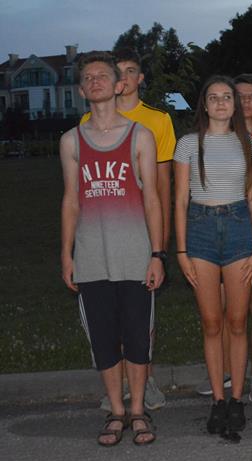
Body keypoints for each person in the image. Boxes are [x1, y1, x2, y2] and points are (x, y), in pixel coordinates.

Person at [60, 51, 164, 446]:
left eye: (103, 75)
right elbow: (71, 200)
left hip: (135, 254)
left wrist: (157, 254)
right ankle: (116, 412)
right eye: (88, 77)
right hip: (91, 256)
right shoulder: (71, 140)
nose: (95, 81)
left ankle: (138, 410)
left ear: (119, 84)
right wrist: (66, 253)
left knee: (137, 336)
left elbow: (152, 198)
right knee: (103, 339)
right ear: (81, 89)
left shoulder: (140, 135)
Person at [81, 47, 176, 411]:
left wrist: (160, 242)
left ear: (138, 78)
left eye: (130, 70)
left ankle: (144, 380)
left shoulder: (156, 121)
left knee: (140, 320)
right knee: (108, 318)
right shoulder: (88, 122)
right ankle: (116, 387)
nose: (122, 77)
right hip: (102, 235)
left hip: (141, 230)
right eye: (117, 71)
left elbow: (161, 186)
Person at [174, 75, 252, 434]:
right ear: (205, 105)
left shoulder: (247, 143)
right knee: (212, 322)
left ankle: (237, 399)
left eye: (227, 97)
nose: (222, 102)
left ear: (235, 104)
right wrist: (181, 251)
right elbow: (180, 200)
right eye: (214, 97)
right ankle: (217, 400)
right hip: (201, 230)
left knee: (238, 322)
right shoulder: (188, 144)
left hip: (240, 228)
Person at [194, 73, 252, 402]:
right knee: (226, 310)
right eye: (239, 96)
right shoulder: (212, 140)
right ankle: (227, 373)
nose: (246, 102)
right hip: (226, 234)